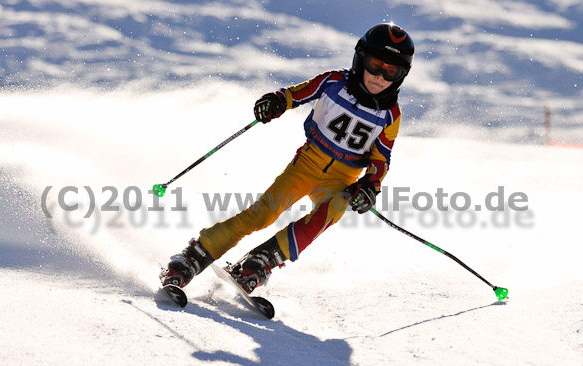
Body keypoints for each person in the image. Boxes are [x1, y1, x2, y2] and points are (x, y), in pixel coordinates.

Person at [161, 23, 415, 294]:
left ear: (401, 76)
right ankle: (193, 256)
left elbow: (381, 158)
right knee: (262, 214)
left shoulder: (390, 115)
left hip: (342, 178)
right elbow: (296, 94)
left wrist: (369, 186)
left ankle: (262, 260)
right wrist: (276, 102)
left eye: (391, 72)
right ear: (360, 59)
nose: (379, 77)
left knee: (332, 211)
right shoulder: (333, 83)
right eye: (375, 65)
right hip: (306, 163)